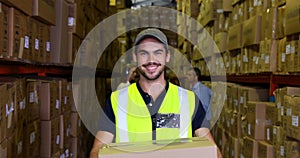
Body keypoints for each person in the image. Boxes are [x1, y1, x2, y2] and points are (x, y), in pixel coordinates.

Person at [90, 28, 221, 158]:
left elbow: (212, 151)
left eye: (158, 52)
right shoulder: (117, 101)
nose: (151, 59)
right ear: (135, 57)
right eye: (143, 53)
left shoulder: (189, 100)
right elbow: (97, 151)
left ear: (167, 56)